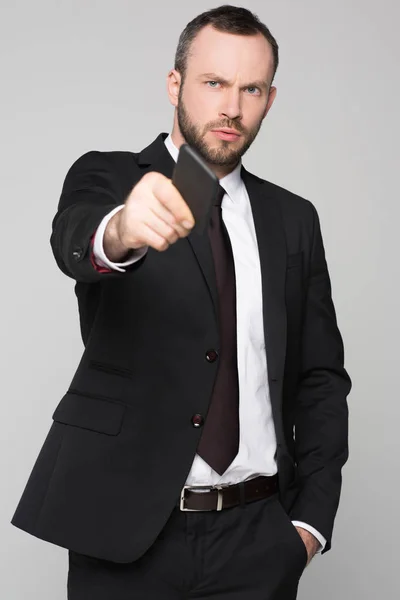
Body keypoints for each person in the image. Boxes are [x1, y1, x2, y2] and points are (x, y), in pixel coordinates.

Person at [11, 5, 351, 599]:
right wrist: (120, 231)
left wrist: (309, 525)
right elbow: (78, 240)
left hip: (259, 539)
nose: (232, 106)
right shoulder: (111, 178)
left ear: (270, 99)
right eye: (213, 82)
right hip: (125, 532)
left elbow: (320, 376)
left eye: (251, 89)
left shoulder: (293, 220)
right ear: (175, 84)